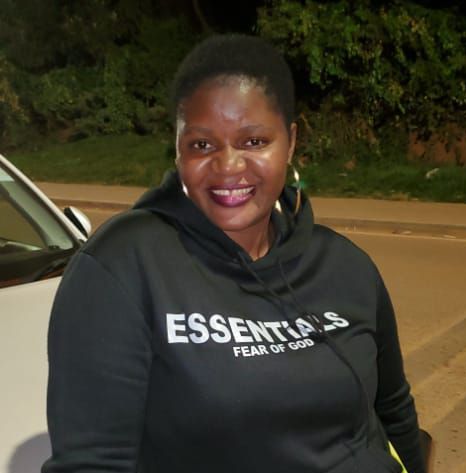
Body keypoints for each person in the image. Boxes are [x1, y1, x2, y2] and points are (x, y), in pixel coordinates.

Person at [42, 34, 426, 473]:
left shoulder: (345, 265)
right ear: (177, 147)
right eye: (202, 145)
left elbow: (393, 410)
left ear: (291, 141)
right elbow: (92, 462)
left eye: (254, 141)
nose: (228, 167)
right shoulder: (124, 266)